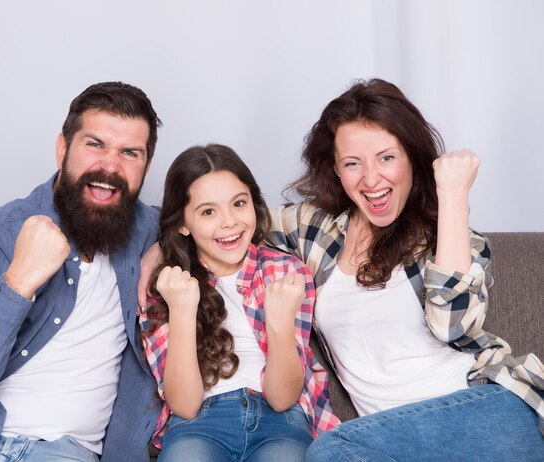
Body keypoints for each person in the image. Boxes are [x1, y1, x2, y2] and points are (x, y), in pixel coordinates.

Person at [265, 78, 544, 460]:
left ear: (412, 156)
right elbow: (229, 223)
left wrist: (452, 192)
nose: (371, 179)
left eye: (386, 157)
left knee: (330, 451)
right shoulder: (314, 229)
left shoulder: (451, 238)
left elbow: (453, 326)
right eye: (352, 164)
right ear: (335, 170)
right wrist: (157, 243)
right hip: (394, 444)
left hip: (486, 409)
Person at [0, 82, 163, 461]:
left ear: (145, 167)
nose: (110, 166)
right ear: (62, 149)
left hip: (63, 451)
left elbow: (239, 222)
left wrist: (162, 248)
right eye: (94, 144)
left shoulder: (153, 232)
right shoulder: (2, 232)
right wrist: (19, 283)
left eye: (129, 153)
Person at [139, 144, 338, 462]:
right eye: (208, 212)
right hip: (198, 423)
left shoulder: (285, 271)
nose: (229, 222)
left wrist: (278, 323)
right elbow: (185, 405)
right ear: (183, 223)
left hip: (281, 421)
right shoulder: (167, 286)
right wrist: (182, 311)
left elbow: (282, 397)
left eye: (239, 203)